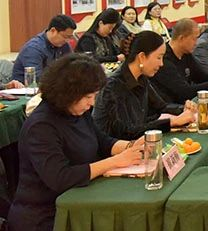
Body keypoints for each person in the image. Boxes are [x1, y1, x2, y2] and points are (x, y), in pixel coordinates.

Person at [7, 55, 144, 231]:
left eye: (94, 96)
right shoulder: (41, 126)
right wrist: (116, 161)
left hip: (78, 202)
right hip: (45, 216)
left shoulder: (77, 111)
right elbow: (60, 178)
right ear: (69, 93)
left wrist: (132, 147)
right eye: (88, 97)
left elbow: (102, 142)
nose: (92, 103)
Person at [93, 31, 197, 140]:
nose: (161, 64)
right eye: (159, 57)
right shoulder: (113, 86)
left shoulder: (141, 78)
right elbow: (126, 132)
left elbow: (161, 107)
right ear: (142, 57)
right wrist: (171, 122)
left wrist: (184, 108)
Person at [151, 19, 208, 104]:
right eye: (194, 39)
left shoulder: (186, 54)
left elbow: (203, 77)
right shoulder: (164, 59)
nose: (196, 43)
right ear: (181, 38)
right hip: (172, 106)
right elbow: (184, 92)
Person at [12, 15, 76, 82]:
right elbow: (38, 79)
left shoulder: (63, 44)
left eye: (70, 37)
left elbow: (72, 67)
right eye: (65, 37)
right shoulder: (33, 49)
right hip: (28, 87)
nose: (67, 40)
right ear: (53, 30)